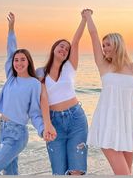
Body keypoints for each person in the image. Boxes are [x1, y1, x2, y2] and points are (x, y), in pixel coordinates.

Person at [0, 12, 55, 175]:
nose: (19, 62)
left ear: (28, 62)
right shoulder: (11, 78)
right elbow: (11, 49)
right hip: (3, 130)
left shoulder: (34, 84)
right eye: (16, 60)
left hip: (17, 135)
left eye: (23, 59)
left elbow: (35, 112)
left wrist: (43, 130)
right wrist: (11, 28)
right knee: (11, 174)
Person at [82, 9, 133, 175]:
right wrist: (88, 16)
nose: (104, 48)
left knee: (127, 172)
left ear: (117, 45)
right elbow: (93, 34)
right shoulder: (103, 65)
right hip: (108, 124)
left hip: (128, 125)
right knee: (124, 174)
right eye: (103, 45)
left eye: (107, 45)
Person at [36, 11, 88, 175]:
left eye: (67, 49)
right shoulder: (40, 73)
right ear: (54, 49)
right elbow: (43, 99)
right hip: (54, 122)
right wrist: (47, 124)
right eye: (61, 46)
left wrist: (84, 19)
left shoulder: (70, 67)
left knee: (76, 170)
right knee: (58, 171)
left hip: (76, 119)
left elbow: (76, 41)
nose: (64, 49)